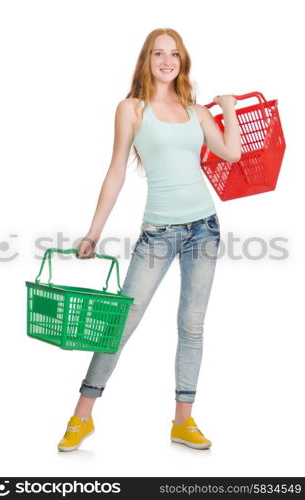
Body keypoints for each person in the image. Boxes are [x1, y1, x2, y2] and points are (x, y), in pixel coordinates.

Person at [57, 28, 241, 452]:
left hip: (204, 228)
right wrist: (94, 232)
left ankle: (183, 421)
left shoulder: (197, 111)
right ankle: (81, 417)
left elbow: (231, 153)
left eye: (173, 54)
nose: (166, 60)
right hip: (158, 231)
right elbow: (117, 170)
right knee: (119, 324)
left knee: (191, 326)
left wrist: (228, 109)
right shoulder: (131, 109)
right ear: (146, 60)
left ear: (182, 60)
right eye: (158, 53)